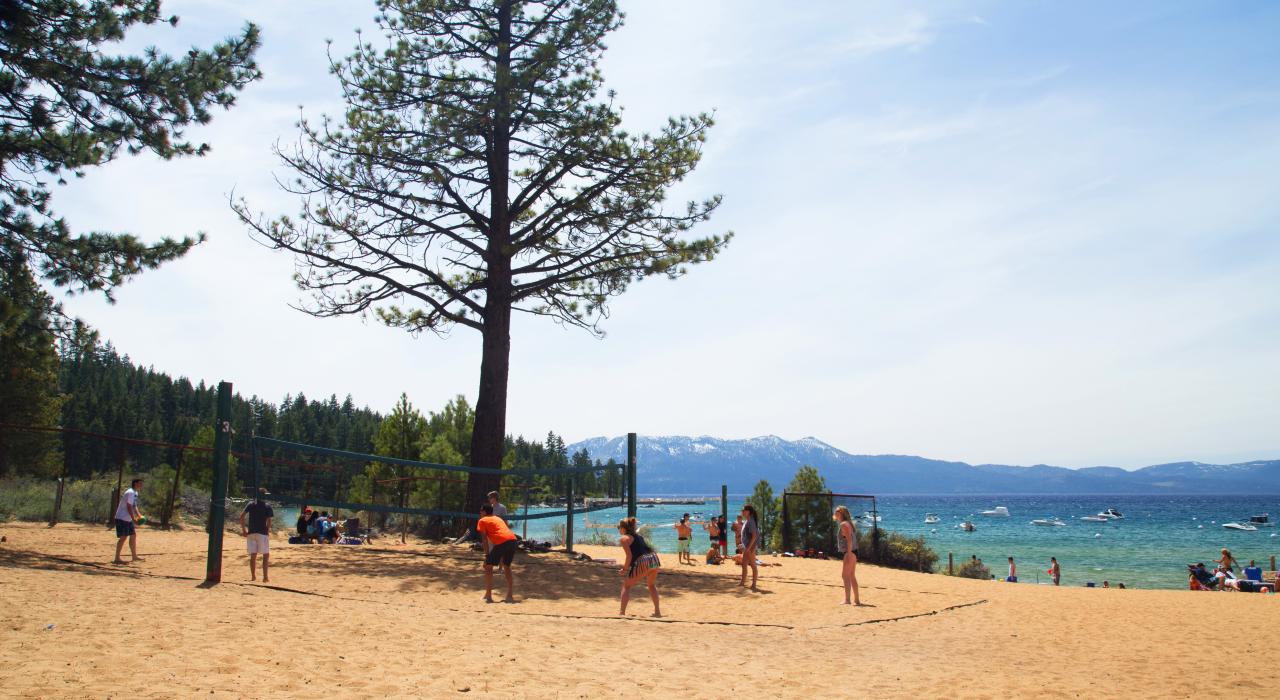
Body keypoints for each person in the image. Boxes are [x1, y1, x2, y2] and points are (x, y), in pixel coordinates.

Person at [617, 517, 661, 617]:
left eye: (619, 527)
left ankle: (621, 613)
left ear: (623, 528)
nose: (619, 529)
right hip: (653, 559)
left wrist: (624, 569)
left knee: (626, 586)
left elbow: (629, 556)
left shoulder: (624, 539)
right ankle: (657, 612)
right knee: (651, 585)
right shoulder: (639, 536)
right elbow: (645, 550)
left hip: (643, 561)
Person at [477, 503, 517, 603]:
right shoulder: (498, 518)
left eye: (481, 510)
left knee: (488, 566)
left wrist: (487, 555)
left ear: (485, 512)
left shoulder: (482, 520)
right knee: (506, 566)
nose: (480, 512)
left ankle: (488, 596)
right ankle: (510, 595)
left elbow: (485, 540)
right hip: (513, 540)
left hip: (502, 542)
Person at [239, 488, 274, 582]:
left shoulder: (251, 504)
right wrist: (267, 531)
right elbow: (269, 521)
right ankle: (265, 577)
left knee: (253, 555)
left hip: (251, 533)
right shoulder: (267, 506)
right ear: (263, 495)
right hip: (262, 533)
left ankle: (253, 576)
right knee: (266, 555)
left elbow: (242, 517)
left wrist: (244, 530)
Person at [113, 478, 145, 564]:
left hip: (127, 519)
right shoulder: (130, 492)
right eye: (140, 483)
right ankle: (117, 558)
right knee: (123, 537)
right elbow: (129, 506)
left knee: (133, 535)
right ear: (135, 484)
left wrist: (139, 515)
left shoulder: (135, 493)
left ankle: (134, 556)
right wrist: (134, 519)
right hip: (122, 518)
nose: (142, 485)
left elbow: (134, 506)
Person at [833, 506, 860, 605]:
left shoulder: (844, 524)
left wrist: (848, 554)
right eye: (835, 511)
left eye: (838, 511)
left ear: (842, 513)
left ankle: (847, 600)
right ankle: (856, 600)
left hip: (850, 551)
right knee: (851, 575)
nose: (835, 512)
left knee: (845, 576)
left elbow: (849, 540)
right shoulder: (848, 523)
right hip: (854, 551)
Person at [739, 505, 760, 591]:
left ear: (749, 512)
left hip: (750, 547)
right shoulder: (747, 521)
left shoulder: (751, 521)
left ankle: (754, 584)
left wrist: (749, 548)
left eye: (744, 510)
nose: (742, 511)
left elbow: (754, 536)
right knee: (744, 565)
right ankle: (742, 582)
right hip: (747, 547)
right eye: (742, 510)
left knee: (753, 565)